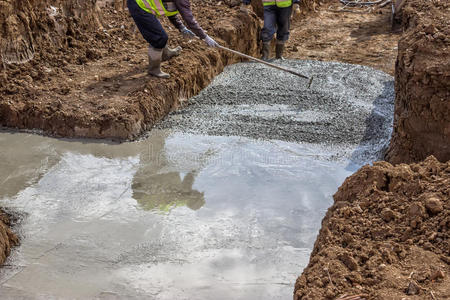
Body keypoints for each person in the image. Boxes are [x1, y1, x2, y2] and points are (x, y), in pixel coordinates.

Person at [127, 0, 219, 78]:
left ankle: (165, 54)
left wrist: (181, 27)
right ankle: (154, 69)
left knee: (160, 34)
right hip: (139, 6)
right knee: (159, 37)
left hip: (142, 5)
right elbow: (190, 20)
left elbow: (170, 10)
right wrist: (205, 37)